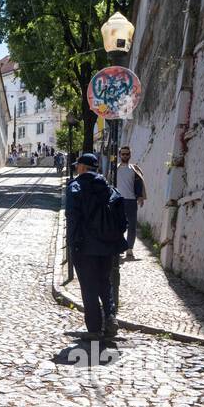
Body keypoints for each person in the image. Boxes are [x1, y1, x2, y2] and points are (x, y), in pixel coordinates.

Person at [65, 152, 127, 340]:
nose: (76, 169)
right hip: (106, 247)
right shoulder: (108, 188)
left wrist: (72, 243)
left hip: (84, 247)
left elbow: (72, 218)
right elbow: (122, 220)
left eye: (78, 166)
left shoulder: (75, 187)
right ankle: (110, 317)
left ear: (83, 168)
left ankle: (94, 328)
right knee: (104, 282)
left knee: (88, 286)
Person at [113, 145, 146, 260]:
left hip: (131, 201)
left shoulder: (135, 169)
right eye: (123, 154)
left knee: (132, 226)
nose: (125, 156)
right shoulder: (114, 169)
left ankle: (129, 249)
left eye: (127, 154)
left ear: (130, 155)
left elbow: (140, 184)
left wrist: (140, 196)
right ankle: (120, 247)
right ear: (119, 155)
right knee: (118, 226)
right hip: (117, 201)